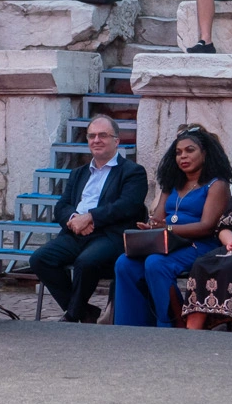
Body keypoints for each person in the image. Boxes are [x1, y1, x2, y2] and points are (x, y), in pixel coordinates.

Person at [31, 115, 149, 322]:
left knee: (85, 262)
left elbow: (128, 206)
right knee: (39, 259)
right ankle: (85, 312)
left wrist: (91, 217)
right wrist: (74, 219)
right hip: (76, 233)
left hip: (110, 235)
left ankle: (72, 316)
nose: (96, 140)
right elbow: (62, 206)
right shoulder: (78, 173)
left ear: (117, 141)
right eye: (92, 136)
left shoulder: (133, 172)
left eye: (103, 135)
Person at [113, 128, 232, 327]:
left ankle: (171, 322)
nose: (183, 156)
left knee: (156, 263)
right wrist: (151, 227)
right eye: (178, 152)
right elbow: (159, 219)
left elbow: (207, 226)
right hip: (167, 243)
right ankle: (130, 325)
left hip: (200, 245)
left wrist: (168, 228)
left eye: (190, 150)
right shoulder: (172, 184)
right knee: (124, 262)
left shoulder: (216, 185)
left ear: (205, 153)